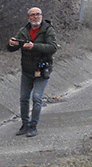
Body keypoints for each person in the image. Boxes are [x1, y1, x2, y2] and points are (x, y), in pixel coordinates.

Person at [7, 7, 57, 137]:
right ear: (28, 18)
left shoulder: (48, 30)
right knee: (24, 98)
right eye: (33, 15)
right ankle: (25, 124)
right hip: (27, 71)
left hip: (42, 70)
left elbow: (53, 47)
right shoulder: (24, 31)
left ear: (41, 16)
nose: (36, 17)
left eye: (38, 14)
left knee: (37, 98)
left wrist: (34, 46)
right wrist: (12, 44)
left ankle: (33, 126)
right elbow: (14, 47)